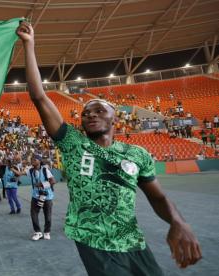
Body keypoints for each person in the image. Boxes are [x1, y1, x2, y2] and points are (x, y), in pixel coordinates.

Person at [17, 21, 201, 275]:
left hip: (131, 239)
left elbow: (157, 197)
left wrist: (178, 222)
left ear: (115, 119)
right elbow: (39, 96)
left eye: (99, 111)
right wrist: (30, 45)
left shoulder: (137, 155)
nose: (90, 115)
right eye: (85, 113)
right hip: (93, 240)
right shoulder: (73, 143)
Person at [16, 154, 56, 241]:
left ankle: (47, 232)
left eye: (34, 159)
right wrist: (12, 167)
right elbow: (19, 173)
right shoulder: (30, 170)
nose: (32, 161)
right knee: (34, 214)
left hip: (47, 196)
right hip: (36, 195)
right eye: (32, 159)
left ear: (39, 161)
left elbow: (53, 181)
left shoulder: (45, 170)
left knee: (48, 216)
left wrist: (41, 184)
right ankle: (37, 232)